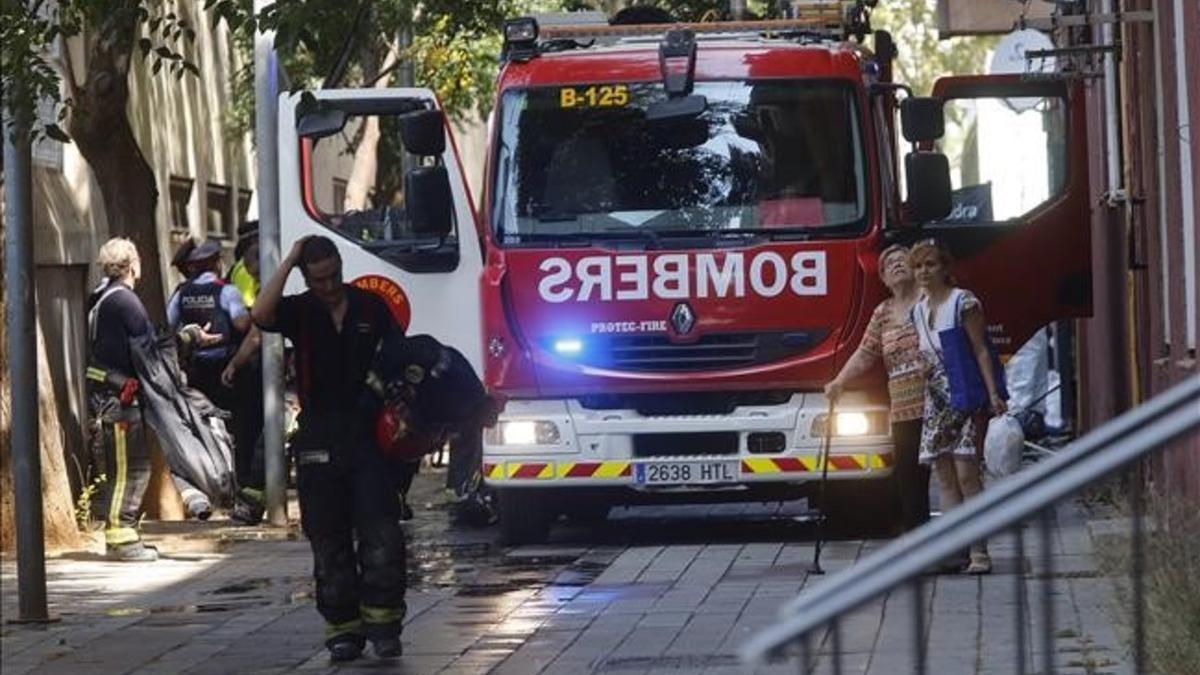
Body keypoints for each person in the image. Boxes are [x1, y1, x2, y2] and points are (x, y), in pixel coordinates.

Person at [252, 235, 407, 662]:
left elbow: (397, 352)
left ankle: (384, 624)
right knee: (327, 538)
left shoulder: (370, 308)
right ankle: (342, 627)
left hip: (367, 435)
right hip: (318, 436)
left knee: (381, 533)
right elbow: (260, 313)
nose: (330, 285)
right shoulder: (299, 311)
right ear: (307, 278)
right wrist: (288, 260)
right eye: (319, 278)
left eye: (335, 274)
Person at [909, 238, 1007, 575]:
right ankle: (953, 551)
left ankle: (980, 551)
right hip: (935, 398)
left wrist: (994, 393)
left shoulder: (963, 302)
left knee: (967, 473)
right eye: (918, 266)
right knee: (944, 476)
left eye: (930, 264)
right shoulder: (918, 311)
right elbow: (927, 353)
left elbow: (982, 350)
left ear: (945, 268)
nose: (923, 271)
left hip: (963, 393)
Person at [824, 244, 930, 531]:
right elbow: (864, 354)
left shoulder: (930, 300)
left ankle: (959, 544)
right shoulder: (883, 312)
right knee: (909, 475)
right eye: (889, 264)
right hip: (904, 408)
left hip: (937, 402)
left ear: (915, 267)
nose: (896, 265)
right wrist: (839, 382)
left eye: (902, 260)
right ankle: (917, 541)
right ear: (883, 278)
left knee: (948, 472)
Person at [85, 238, 158, 562]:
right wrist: (188, 339)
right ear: (134, 264)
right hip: (120, 401)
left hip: (109, 397)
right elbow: (148, 351)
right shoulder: (126, 302)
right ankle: (121, 539)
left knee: (124, 470)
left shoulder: (100, 299)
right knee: (132, 471)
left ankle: (125, 536)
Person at [167, 240, 251, 412]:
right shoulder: (227, 290)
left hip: (195, 369)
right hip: (224, 368)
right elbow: (242, 325)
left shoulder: (182, 292)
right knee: (228, 416)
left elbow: (169, 325)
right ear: (217, 263)